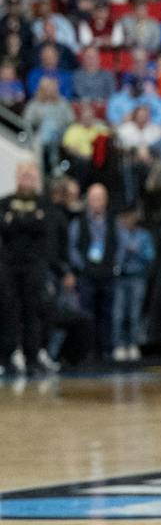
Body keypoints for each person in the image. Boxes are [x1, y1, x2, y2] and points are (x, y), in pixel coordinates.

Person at [0, 160, 64, 375]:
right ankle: (7, 356)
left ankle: (32, 355)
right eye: (23, 175)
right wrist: (28, 222)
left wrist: (16, 222)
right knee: (8, 310)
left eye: (30, 175)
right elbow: (5, 227)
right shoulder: (5, 202)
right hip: (8, 265)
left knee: (33, 310)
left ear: (36, 179)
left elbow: (43, 228)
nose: (26, 179)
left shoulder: (45, 204)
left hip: (34, 266)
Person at [67, 183, 119, 359]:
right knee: (87, 315)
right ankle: (88, 352)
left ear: (106, 200)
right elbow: (72, 248)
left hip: (107, 275)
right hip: (87, 276)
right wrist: (83, 266)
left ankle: (107, 351)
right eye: (94, 198)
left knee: (107, 314)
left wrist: (114, 264)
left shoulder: (113, 222)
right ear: (88, 200)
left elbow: (119, 245)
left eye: (100, 198)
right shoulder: (78, 223)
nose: (97, 202)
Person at [112, 209, 155, 362]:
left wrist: (137, 251)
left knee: (134, 313)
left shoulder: (143, 236)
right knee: (118, 313)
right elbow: (112, 254)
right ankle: (119, 345)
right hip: (120, 277)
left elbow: (150, 256)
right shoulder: (119, 234)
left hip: (137, 277)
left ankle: (133, 344)